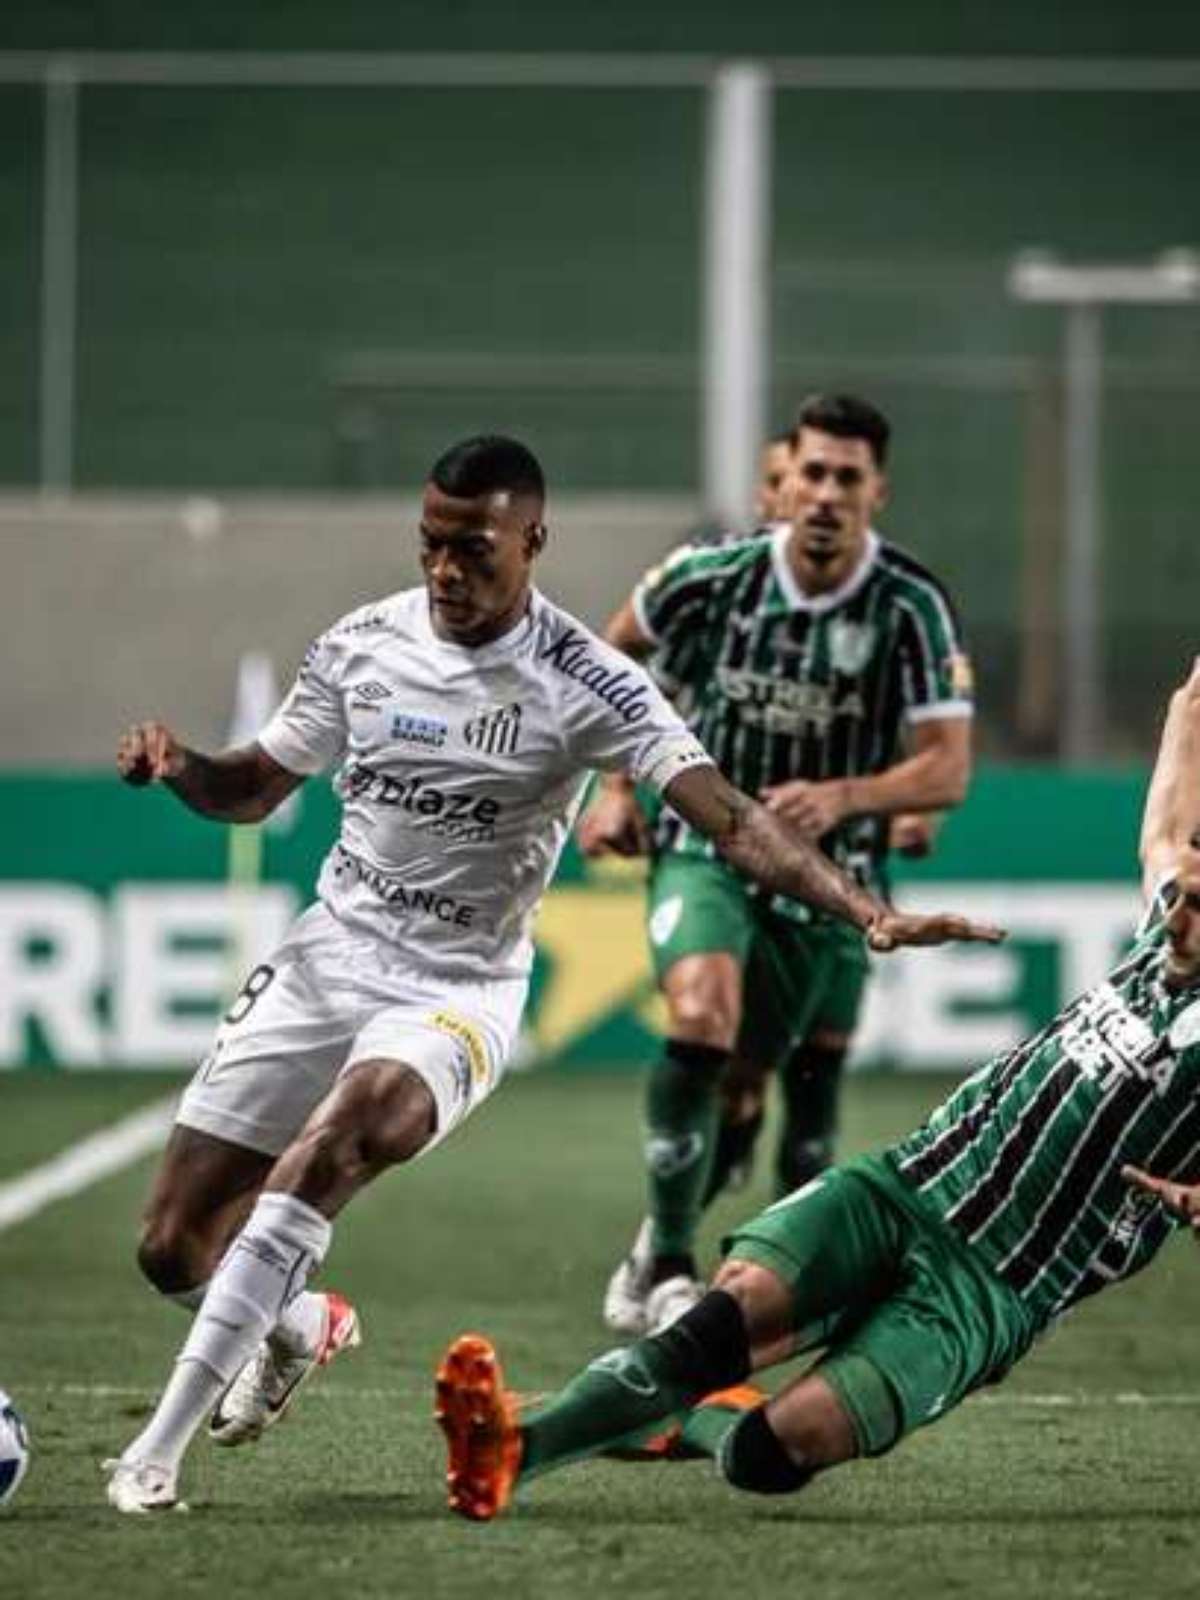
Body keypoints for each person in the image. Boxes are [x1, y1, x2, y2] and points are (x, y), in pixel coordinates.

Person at [102, 434, 999, 1515]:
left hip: (456, 988)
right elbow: (252, 787)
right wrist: (180, 765)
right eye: (431, 545)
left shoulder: (588, 680)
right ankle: (298, 1322)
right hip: (325, 958)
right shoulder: (360, 645)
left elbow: (730, 815)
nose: (446, 571)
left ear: (533, 540)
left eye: (473, 549)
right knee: (170, 1249)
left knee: (339, 1142)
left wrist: (862, 907)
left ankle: (152, 1455)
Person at [435, 656, 1200, 1523]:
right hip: (909, 1183)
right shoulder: (1161, 938)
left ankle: (697, 1424)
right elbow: (1169, 825)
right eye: (1186, 889)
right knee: (708, 1333)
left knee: (770, 1454)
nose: (1181, 905)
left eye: (1198, 903)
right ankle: (509, 1449)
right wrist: (1189, 698)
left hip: (991, 1288)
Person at [579, 394, 974, 1337]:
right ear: (784, 479)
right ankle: (673, 1265)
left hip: (829, 885)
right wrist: (616, 790)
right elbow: (601, 662)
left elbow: (947, 766)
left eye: (848, 478)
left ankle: (708, 1259)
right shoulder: (708, 576)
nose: (827, 493)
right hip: (707, 847)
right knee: (700, 1015)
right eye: (813, 473)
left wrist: (850, 798)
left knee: (766, 1093)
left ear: (877, 492)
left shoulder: (912, 607)